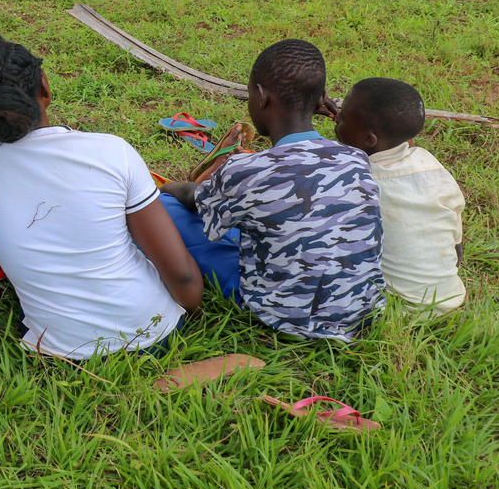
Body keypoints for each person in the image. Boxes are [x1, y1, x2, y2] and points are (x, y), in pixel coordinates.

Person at [0, 36, 203, 415]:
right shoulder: (111, 152)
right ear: (45, 88)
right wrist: (194, 311)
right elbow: (182, 277)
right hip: (152, 335)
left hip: (61, 351)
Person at [161, 39, 385, 342]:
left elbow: (191, 199)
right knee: (270, 215)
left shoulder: (247, 170)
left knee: (168, 210)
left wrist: (170, 188)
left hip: (283, 317)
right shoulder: (356, 158)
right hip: (360, 312)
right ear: (322, 100)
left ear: (261, 96)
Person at [334, 77, 466, 315]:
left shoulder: (357, 180)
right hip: (449, 299)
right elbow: (457, 248)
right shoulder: (431, 165)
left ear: (369, 139)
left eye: (342, 117)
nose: (336, 119)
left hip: (393, 310)